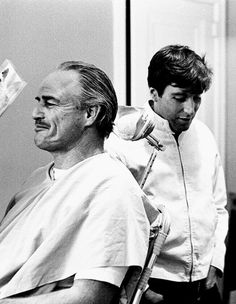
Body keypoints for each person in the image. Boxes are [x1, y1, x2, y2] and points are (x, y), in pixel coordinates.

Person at [0, 61, 152, 303]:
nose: (36, 113)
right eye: (38, 102)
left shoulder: (113, 188)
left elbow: (90, 298)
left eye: (49, 103)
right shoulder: (38, 178)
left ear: (90, 114)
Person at [105, 45, 228, 304]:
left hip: (206, 284)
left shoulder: (204, 136)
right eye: (180, 97)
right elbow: (115, 224)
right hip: (155, 287)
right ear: (154, 92)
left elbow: (218, 207)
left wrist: (216, 263)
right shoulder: (124, 141)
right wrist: (142, 286)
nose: (190, 109)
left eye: (196, 98)